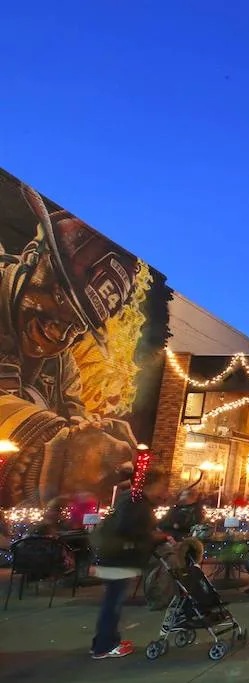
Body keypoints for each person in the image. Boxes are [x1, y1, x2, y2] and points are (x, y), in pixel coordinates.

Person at [0, 184, 141, 508]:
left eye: (76, 325)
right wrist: (54, 442)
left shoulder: (62, 366)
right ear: (33, 256)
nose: (58, 332)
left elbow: (73, 416)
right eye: (58, 297)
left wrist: (91, 431)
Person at [89, 467, 170, 659]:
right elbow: (128, 529)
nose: (164, 490)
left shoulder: (134, 499)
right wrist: (155, 537)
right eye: (162, 486)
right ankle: (105, 646)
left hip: (115, 556)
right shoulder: (136, 502)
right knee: (113, 603)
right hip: (118, 558)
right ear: (151, 484)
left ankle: (103, 642)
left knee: (112, 601)